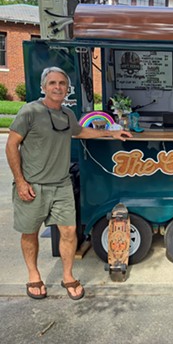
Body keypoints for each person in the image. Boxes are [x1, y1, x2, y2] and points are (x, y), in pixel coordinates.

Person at [6, 66, 132, 300]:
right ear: (44, 87)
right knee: (30, 232)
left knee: (69, 231)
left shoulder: (67, 114)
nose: (57, 87)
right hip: (33, 185)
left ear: (67, 89)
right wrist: (20, 182)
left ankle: (68, 276)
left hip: (61, 184)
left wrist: (111, 134)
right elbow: (11, 145)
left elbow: (80, 131)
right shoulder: (29, 112)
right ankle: (34, 276)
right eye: (52, 83)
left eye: (62, 84)